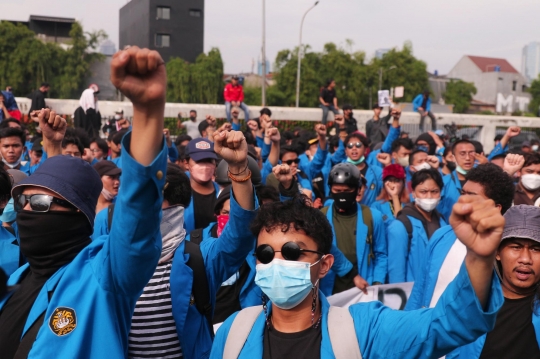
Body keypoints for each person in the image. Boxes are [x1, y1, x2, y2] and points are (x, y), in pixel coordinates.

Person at [0, 46, 169, 358]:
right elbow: (56, 187)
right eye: (21, 199)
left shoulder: (103, 277)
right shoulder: (17, 278)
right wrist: (52, 147)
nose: (24, 210)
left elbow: (137, 212)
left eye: (37, 204)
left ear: (78, 216)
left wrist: (147, 111)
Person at [210, 192, 505, 359]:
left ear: (324, 265)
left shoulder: (363, 330)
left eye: (291, 252)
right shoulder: (234, 330)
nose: (275, 263)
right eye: (264, 254)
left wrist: (479, 257)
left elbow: (445, 326)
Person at [406, 163, 515, 313]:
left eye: (470, 196)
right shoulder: (442, 235)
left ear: (496, 208)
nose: (462, 200)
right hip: (427, 331)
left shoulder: (506, 251)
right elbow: (419, 290)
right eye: (462, 193)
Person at [453, 205, 540, 358]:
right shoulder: (473, 307)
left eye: (535, 249)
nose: (525, 259)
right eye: (516, 247)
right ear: (497, 252)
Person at [320, 163, 387, 295]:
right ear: (330, 189)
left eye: (347, 191)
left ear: (358, 190)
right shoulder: (321, 217)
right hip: (330, 291)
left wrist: (377, 283)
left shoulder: (373, 217)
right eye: (337, 191)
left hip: (363, 290)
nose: (342, 195)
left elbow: (381, 254)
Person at [387, 168, 446, 283]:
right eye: (423, 192)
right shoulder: (401, 226)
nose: (429, 196)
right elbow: (396, 271)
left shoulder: (442, 221)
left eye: (434, 191)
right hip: (413, 292)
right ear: (413, 193)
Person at [183, 138, 221, 232]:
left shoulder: (223, 193)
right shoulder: (178, 195)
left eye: (209, 161)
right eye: (199, 161)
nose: (205, 166)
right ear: (186, 164)